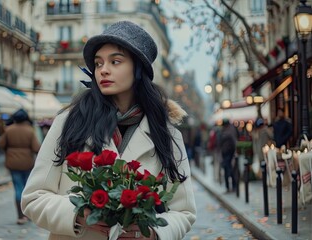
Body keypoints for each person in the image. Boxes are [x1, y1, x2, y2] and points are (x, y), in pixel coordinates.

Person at [21, 21, 196, 240]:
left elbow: (184, 212)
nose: (103, 70)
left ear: (138, 69)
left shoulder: (166, 134)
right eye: (98, 63)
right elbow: (33, 198)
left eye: (115, 61)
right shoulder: (69, 122)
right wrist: (77, 214)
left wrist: (152, 232)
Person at [0, 109, 40, 225]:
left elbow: (0, 144)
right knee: (27, 188)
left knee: (18, 188)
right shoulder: (30, 131)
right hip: (27, 163)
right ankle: (28, 214)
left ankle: (20, 216)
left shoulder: (9, 130)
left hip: (12, 163)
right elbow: (36, 148)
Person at [219, 119, 238, 193]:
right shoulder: (228, 130)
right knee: (228, 170)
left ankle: (231, 187)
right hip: (226, 153)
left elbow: (234, 142)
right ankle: (231, 187)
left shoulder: (228, 131)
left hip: (229, 153)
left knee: (229, 170)